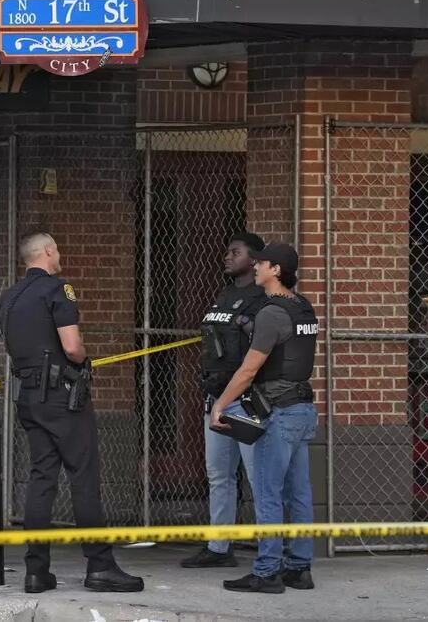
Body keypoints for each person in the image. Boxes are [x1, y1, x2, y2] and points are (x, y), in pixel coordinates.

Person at [0, 232, 144, 594]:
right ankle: (100, 566)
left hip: (28, 396)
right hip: (62, 398)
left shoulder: (8, 298)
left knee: (41, 479)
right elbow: (72, 347)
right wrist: (84, 361)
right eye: (57, 249)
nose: (59, 255)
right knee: (83, 478)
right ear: (46, 251)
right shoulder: (58, 290)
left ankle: (36, 571)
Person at [210, 242, 319, 594]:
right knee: (299, 492)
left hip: (280, 411)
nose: (255, 267)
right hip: (302, 408)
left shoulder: (272, 313)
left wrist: (220, 405)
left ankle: (268, 570)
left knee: (269, 492)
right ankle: (299, 567)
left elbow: (248, 369)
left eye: (262, 263)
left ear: (276, 270)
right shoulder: (303, 307)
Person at [181, 232, 265, 569]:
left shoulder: (262, 298)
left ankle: (270, 548)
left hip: (247, 401)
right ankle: (219, 547)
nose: (227, 257)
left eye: (235, 252)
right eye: (228, 251)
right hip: (216, 398)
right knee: (219, 476)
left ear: (254, 259)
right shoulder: (225, 294)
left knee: (259, 478)